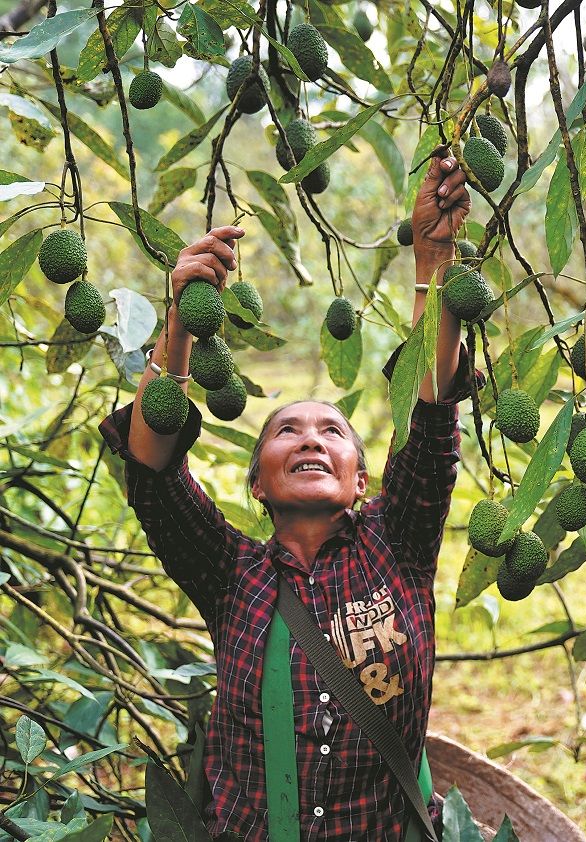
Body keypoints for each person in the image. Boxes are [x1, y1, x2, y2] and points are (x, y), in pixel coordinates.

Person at [98, 150, 481, 840]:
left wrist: (433, 261)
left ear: (361, 481)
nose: (310, 438)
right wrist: (181, 325)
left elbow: (430, 414)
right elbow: (152, 469)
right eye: (286, 431)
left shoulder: (399, 543)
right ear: (258, 483)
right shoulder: (230, 573)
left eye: (332, 430)